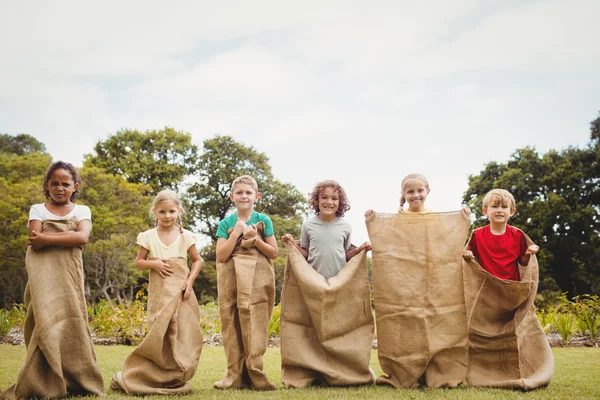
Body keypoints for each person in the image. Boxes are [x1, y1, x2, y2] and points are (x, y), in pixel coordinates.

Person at [1, 161, 105, 399]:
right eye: (54, 183)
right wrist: (66, 237)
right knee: (42, 322)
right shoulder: (38, 209)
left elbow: (83, 237)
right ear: (47, 185)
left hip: (68, 276)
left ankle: (77, 379)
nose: (60, 188)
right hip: (41, 275)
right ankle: (41, 380)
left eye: (65, 184)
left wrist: (48, 239)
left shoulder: (82, 210)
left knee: (71, 321)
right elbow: (34, 238)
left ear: (75, 186)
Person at [111, 189, 203, 394]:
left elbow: (197, 260)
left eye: (171, 211)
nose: (167, 216)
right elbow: (139, 262)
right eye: (162, 212)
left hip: (182, 292)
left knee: (181, 333)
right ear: (155, 212)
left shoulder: (186, 236)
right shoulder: (148, 237)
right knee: (158, 333)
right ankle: (153, 374)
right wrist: (154, 264)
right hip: (159, 293)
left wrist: (189, 281)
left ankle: (174, 376)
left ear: (179, 211)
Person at [214, 175, 278, 390]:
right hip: (232, 282)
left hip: (258, 282)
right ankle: (234, 375)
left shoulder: (264, 220)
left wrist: (255, 237)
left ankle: (255, 372)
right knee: (232, 323)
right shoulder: (226, 223)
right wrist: (237, 233)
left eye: (248, 193)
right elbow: (221, 256)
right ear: (232, 197)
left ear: (256, 196)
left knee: (256, 324)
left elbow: (274, 252)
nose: (244, 196)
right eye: (239, 192)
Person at [283, 180, 370, 279]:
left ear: (340, 202)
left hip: (339, 282)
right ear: (317, 200)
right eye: (324, 197)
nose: (329, 202)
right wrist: (291, 244)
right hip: (313, 281)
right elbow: (306, 255)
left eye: (334, 198)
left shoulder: (346, 226)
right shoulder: (308, 225)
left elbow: (346, 255)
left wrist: (360, 249)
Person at [462, 188, 539, 281]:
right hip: (486, 288)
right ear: (485, 211)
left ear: (512, 211)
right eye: (494, 206)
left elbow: (523, 263)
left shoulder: (518, 235)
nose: (499, 210)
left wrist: (528, 253)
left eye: (504, 207)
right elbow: (468, 258)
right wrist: (468, 254)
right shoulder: (477, 235)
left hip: (511, 288)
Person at [365, 173, 470, 217]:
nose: (416, 195)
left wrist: (462, 215)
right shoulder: (400, 217)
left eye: (420, 190)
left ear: (428, 191)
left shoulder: (433, 217)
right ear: (403, 193)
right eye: (410, 191)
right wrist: (372, 217)